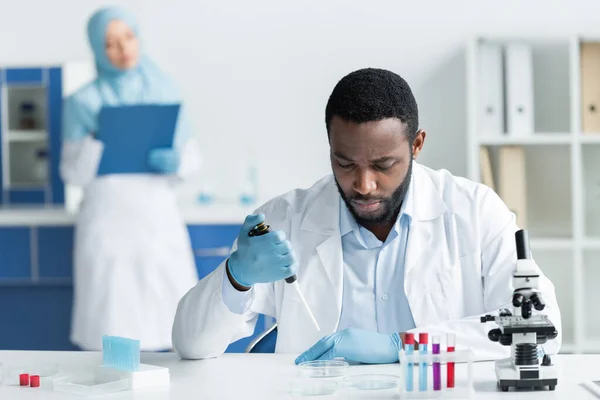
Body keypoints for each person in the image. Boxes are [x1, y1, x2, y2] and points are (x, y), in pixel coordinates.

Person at [171, 68, 562, 363]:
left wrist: (402, 346)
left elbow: (542, 329)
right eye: (345, 162)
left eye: (383, 164)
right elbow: (191, 346)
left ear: (418, 144)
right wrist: (235, 279)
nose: (364, 184)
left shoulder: (474, 211)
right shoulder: (285, 219)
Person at [61, 7, 200, 351]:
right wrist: (95, 141)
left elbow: (192, 158)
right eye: (109, 43)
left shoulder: (165, 91)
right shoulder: (82, 102)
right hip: (108, 226)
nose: (123, 48)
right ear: (96, 49)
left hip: (157, 221)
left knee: (174, 328)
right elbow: (72, 173)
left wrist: (176, 161)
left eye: (128, 37)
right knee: (114, 331)